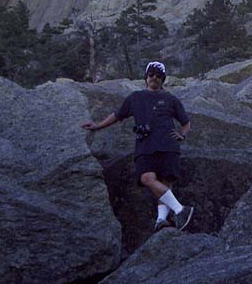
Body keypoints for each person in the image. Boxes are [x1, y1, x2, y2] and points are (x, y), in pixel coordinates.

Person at [81, 61, 194, 233]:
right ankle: (180, 210)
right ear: (146, 77)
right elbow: (118, 115)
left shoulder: (171, 99)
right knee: (147, 179)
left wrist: (182, 135)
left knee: (164, 182)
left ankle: (161, 219)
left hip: (167, 145)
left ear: (162, 80)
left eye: (158, 76)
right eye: (151, 75)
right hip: (145, 145)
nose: (154, 78)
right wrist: (97, 126)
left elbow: (186, 123)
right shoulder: (135, 98)